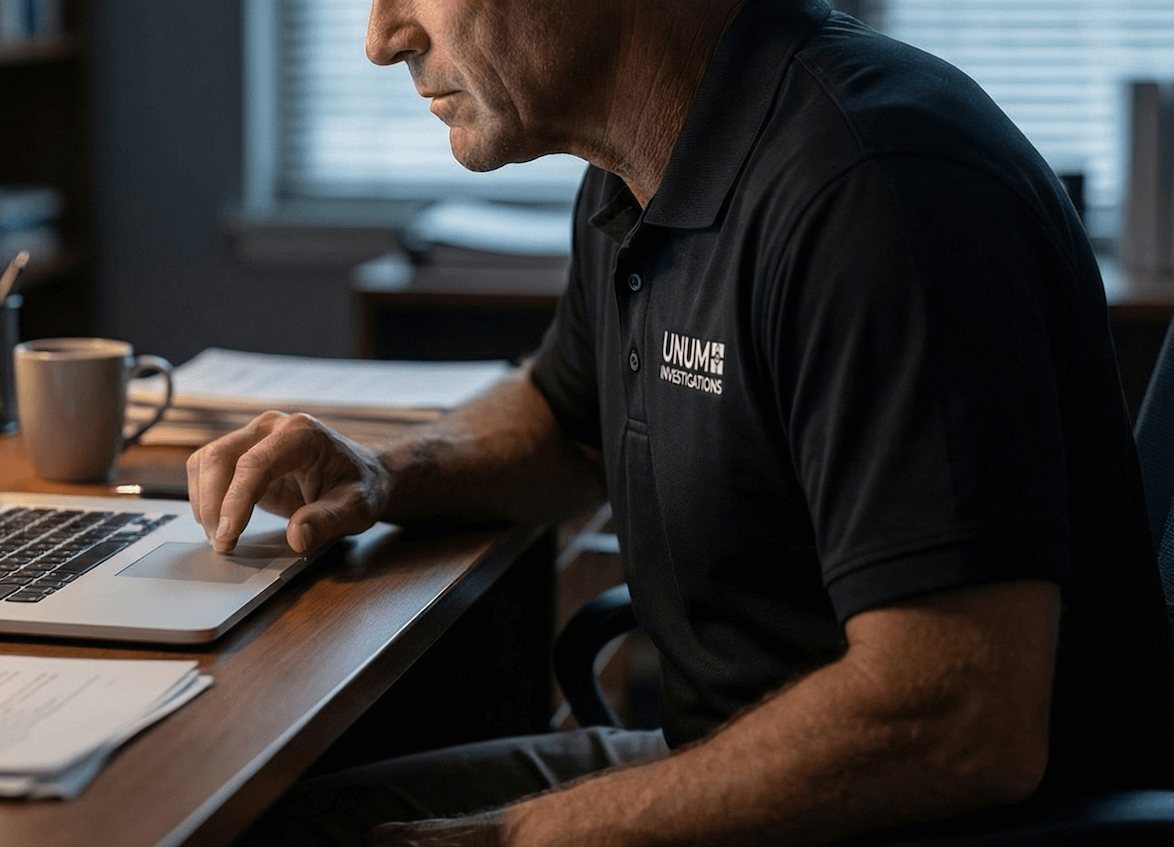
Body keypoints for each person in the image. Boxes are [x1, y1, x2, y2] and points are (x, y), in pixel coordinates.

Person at [193, 1, 1174, 845]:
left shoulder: (876, 190)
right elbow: (561, 414)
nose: (380, 37)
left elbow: (958, 716)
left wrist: (532, 834)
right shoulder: (635, 165)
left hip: (908, 816)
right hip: (719, 754)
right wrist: (386, 472)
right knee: (264, 825)